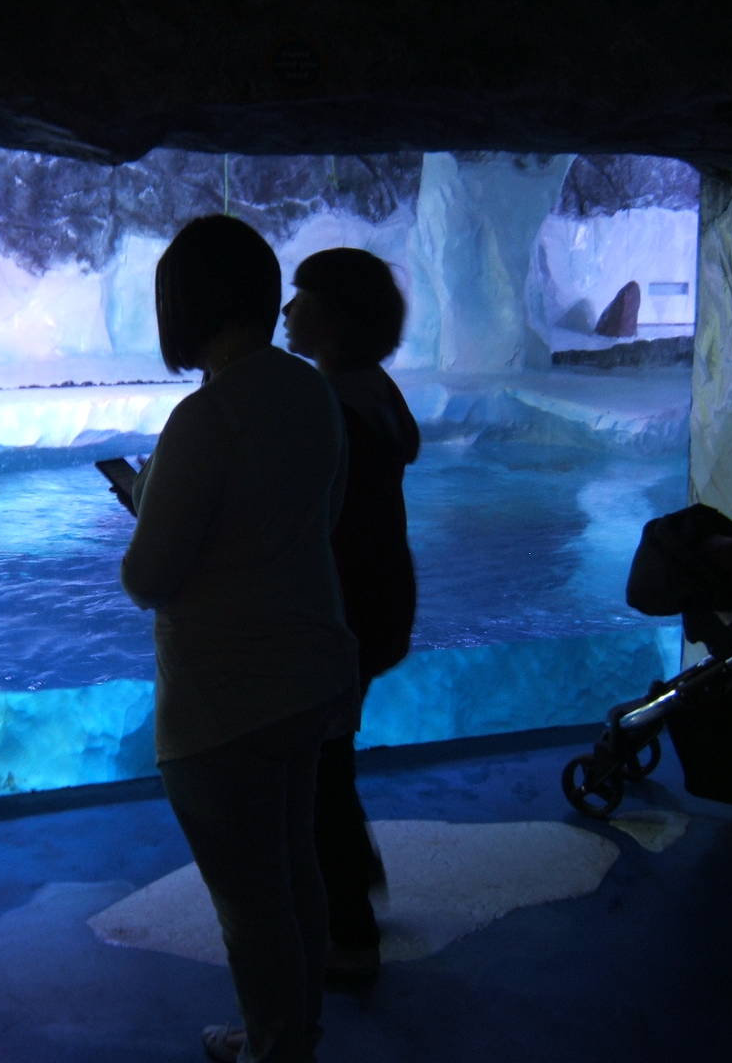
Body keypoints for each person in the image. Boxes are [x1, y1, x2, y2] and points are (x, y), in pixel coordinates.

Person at [120, 215, 359, 1063]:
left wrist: (148, 503)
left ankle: (274, 1051)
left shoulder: (205, 417)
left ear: (185, 305)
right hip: (311, 676)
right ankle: (298, 1034)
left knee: (249, 901)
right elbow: (311, 524)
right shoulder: (311, 392)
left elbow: (149, 577)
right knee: (297, 871)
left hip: (223, 703)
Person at [281, 248, 420, 982]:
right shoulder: (375, 391)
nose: (287, 311)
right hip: (383, 604)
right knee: (328, 761)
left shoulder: (329, 404)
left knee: (318, 773)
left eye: (300, 298)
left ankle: (352, 938)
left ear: (332, 316)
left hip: (343, 617)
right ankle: (354, 876)